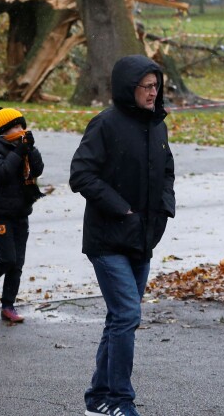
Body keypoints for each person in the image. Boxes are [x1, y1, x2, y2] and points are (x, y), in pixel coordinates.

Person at [69, 55, 175, 416]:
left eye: (156, 86)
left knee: (119, 318)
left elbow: (167, 171)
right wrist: (122, 209)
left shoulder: (157, 126)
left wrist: (163, 211)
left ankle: (98, 397)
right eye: (146, 86)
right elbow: (81, 174)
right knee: (128, 314)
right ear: (128, 88)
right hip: (106, 239)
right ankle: (119, 400)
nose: (152, 92)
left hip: (142, 239)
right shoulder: (105, 125)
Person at [0, 107, 45, 323]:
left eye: (22, 126)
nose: (21, 130)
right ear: (4, 129)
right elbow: (2, 174)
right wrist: (19, 152)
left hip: (21, 212)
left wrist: (31, 149)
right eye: (16, 127)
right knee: (7, 258)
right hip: (1, 213)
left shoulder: (23, 148)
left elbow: (37, 170)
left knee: (18, 262)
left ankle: (8, 304)